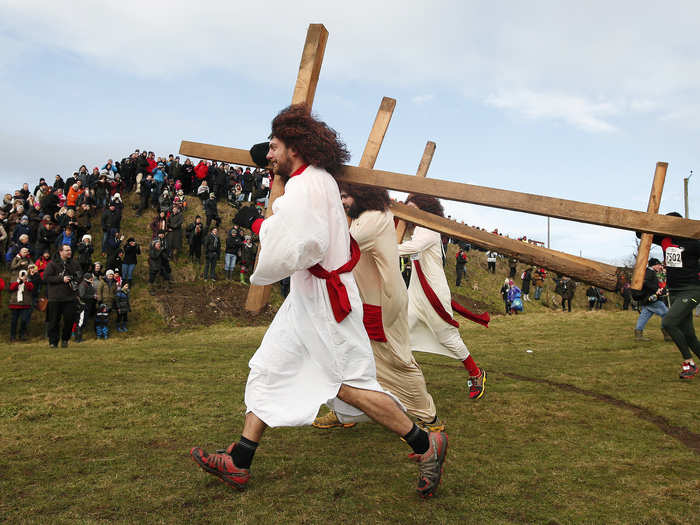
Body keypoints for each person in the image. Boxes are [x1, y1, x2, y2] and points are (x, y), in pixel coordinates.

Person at [190, 104, 447, 499]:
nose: (269, 154)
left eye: (275, 146)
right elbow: (292, 210)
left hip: (328, 302)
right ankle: (240, 461)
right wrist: (270, 157)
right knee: (270, 366)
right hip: (306, 299)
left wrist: (256, 224)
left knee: (346, 384)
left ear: (294, 147)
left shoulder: (309, 185)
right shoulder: (310, 179)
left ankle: (425, 444)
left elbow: (303, 243)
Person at [313, 183, 443, 432]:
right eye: (340, 197)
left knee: (396, 361)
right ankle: (345, 412)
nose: (342, 202)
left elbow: (338, 247)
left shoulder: (374, 217)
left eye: (346, 196)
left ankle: (428, 418)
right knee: (348, 356)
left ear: (362, 195)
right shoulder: (363, 216)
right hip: (368, 301)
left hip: (381, 303)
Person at [397, 194, 487, 400]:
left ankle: (476, 373)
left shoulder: (428, 229)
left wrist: (382, 250)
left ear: (424, 209)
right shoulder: (417, 231)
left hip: (434, 295)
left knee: (447, 337)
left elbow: (412, 248)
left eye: (412, 209)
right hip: (416, 294)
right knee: (401, 332)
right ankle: (399, 381)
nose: (408, 214)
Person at [645, 214, 700, 378]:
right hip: (674, 291)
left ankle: (689, 363)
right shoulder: (665, 239)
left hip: (692, 290)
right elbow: (640, 232)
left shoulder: (693, 242)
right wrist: (653, 219)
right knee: (689, 335)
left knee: (668, 322)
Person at [43, 244, 82, 348]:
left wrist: (75, 280)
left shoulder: (74, 263)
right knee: (54, 321)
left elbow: (80, 276)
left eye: (70, 250)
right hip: (55, 297)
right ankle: (53, 342)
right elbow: (46, 278)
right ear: (60, 252)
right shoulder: (52, 264)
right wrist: (61, 279)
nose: (69, 252)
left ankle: (65, 339)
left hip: (70, 297)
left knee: (69, 320)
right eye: (67, 250)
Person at [9, 269, 34, 341]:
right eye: (22, 275)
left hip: (25, 304)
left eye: (24, 275)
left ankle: (22, 335)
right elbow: (11, 288)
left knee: (24, 320)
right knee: (14, 321)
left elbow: (31, 288)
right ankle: (12, 336)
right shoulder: (14, 280)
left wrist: (25, 281)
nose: (23, 276)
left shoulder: (28, 281)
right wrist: (18, 282)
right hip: (15, 304)